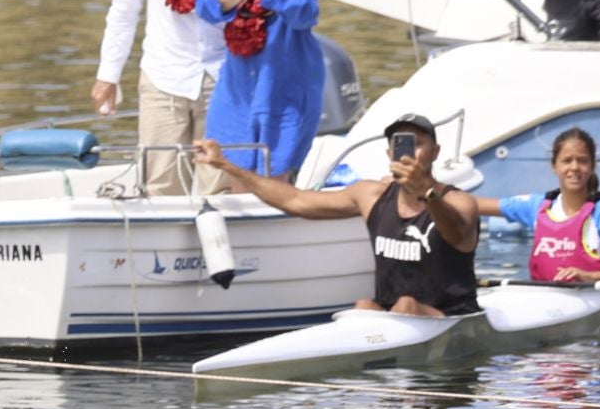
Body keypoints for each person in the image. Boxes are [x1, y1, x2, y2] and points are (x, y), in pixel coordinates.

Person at [196, 113, 482, 315]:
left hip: (449, 316)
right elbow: (296, 200)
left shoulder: (458, 201)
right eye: (400, 144)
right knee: (364, 305)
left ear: (435, 152)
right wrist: (226, 165)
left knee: (406, 304)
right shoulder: (371, 195)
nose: (408, 152)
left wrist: (427, 192)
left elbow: (458, 233)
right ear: (389, 153)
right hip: (392, 317)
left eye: (418, 144)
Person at [94, 0, 233, 195]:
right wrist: (108, 75)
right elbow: (126, 5)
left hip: (223, 79)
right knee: (159, 189)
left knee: (220, 189)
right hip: (164, 77)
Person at [193, 0, 325, 180]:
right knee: (238, 178)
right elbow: (206, 5)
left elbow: (305, 15)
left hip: (285, 97)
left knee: (276, 186)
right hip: (236, 95)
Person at [473, 126, 600, 281]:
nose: (575, 167)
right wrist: (446, 192)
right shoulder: (537, 205)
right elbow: (472, 205)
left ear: (592, 166)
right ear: (554, 166)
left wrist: (589, 276)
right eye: (567, 160)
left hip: (589, 297)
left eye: (582, 161)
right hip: (546, 300)